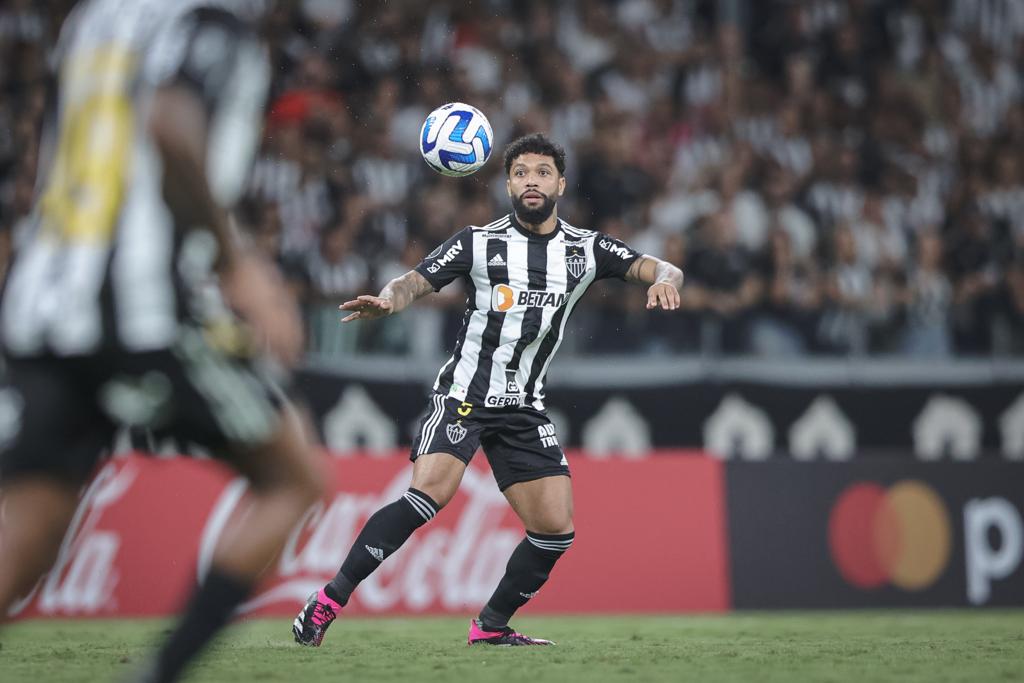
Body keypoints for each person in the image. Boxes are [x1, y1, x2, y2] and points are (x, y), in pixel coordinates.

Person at [0, 2, 324, 682]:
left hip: (43, 294)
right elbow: (170, 127)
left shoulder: (95, 19)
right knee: (292, 477)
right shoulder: (210, 22)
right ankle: (159, 673)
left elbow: (51, 139)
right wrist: (238, 263)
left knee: (32, 517)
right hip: (139, 304)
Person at [292, 133, 683, 647]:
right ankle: (325, 604)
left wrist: (666, 280)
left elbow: (660, 265)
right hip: (464, 396)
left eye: (542, 172)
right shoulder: (477, 242)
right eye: (521, 173)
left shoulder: (585, 250)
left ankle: (490, 627)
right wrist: (388, 302)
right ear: (508, 184)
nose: (531, 182)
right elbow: (414, 280)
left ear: (561, 183)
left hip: (523, 406)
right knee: (428, 494)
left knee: (555, 531)